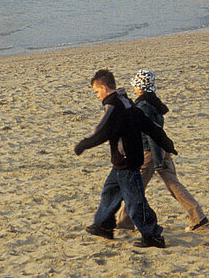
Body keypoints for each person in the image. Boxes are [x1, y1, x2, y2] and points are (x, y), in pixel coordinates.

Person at [75, 69, 176, 249]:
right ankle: (103, 225)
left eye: (97, 92)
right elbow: (148, 125)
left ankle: (152, 235)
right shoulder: (126, 101)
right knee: (110, 191)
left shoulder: (114, 105)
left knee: (135, 201)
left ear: (104, 88)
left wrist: (83, 144)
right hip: (123, 161)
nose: (97, 96)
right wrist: (166, 142)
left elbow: (102, 130)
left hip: (127, 161)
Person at [116, 70, 209, 233]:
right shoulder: (152, 102)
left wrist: (157, 162)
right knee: (173, 184)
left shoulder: (144, 106)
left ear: (140, 88)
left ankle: (124, 222)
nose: (134, 88)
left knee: (134, 188)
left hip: (151, 153)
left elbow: (151, 134)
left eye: (136, 86)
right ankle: (198, 218)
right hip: (161, 150)